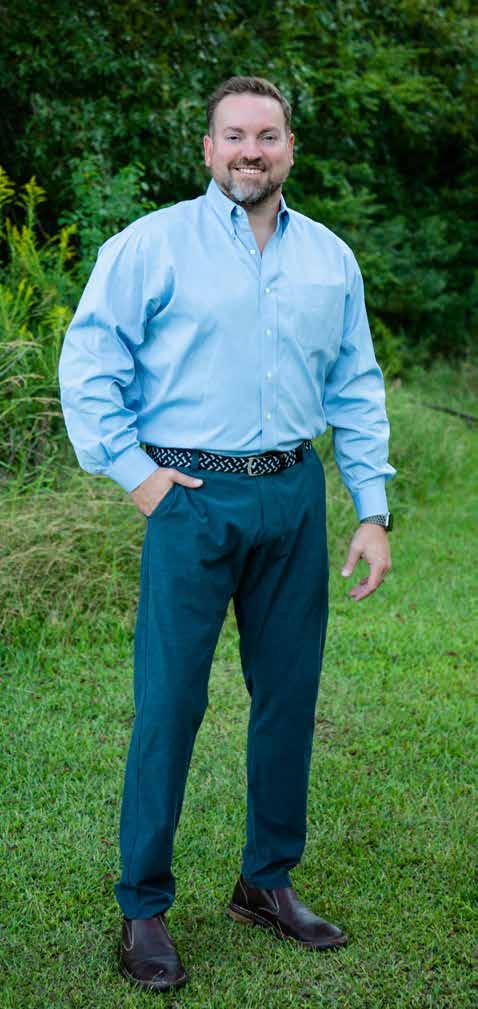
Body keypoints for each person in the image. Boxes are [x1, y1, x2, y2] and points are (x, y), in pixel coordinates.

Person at [58, 75, 395, 994]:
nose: (252, 150)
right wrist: (137, 476)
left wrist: (370, 509)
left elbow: (356, 384)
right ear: (208, 148)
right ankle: (143, 905)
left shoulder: (330, 258)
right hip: (190, 497)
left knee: (288, 697)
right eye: (235, 135)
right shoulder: (151, 245)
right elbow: (89, 361)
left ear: (290, 148)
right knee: (170, 702)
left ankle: (266, 882)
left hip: (293, 494)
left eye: (268, 136)